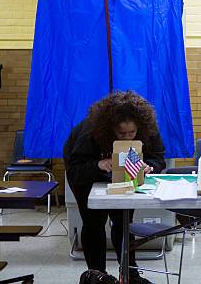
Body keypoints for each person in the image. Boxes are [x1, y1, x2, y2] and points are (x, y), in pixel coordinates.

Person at [64, 91, 166, 284]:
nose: (127, 138)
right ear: (110, 129)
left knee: (123, 220)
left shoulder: (147, 129)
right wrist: (98, 165)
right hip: (86, 172)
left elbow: (158, 157)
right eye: (121, 133)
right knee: (93, 222)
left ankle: (130, 274)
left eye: (132, 133)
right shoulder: (90, 132)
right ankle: (96, 275)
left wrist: (150, 166)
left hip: (125, 175)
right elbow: (75, 169)